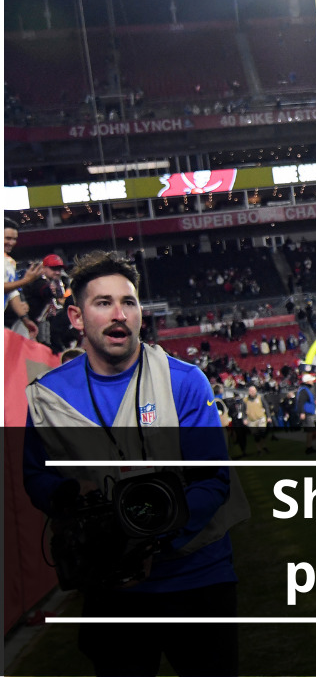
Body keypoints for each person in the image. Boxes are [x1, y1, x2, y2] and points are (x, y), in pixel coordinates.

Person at [22, 250, 247, 677]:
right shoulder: (47, 396)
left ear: (141, 312)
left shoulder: (184, 379)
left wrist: (147, 539)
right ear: (75, 315)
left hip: (196, 576)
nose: (118, 314)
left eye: (128, 302)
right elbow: (37, 476)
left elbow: (213, 479)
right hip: (110, 586)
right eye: (102, 303)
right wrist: (69, 497)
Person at [4, 217, 50, 338]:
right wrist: (26, 280)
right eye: (7, 238)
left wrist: (25, 319)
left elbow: (12, 293)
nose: (12, 242)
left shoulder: (9, 263)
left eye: (14, 239)